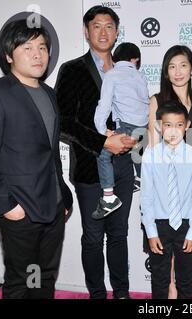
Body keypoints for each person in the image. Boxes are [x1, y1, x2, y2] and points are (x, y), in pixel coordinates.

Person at [0, 19, 73, 299]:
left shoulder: (50, 95)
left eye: (42, 46)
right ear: (8, 55)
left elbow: (51, 153)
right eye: (27, 47)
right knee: (22, 282)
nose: (37, 54)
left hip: (53, 206)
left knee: (44, 279)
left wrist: (62, 194)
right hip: (20, 208)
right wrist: (7, 206)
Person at [55, 6, 136, 299]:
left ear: (117, 32)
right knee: (92, 238)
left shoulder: (126, 70)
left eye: (109, 26)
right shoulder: (72, 70)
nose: (103, 32)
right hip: (90, 170)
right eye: (97, 26)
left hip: (124, 168)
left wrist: (135, 138)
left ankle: (122, 293)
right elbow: (63, 122)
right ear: (86, 32)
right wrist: (103, 142)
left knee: (119, 234)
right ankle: (97, 294)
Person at [146, 45, 192, 298]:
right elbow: (151, 144)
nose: (178, 71)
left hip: (191, 182)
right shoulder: (157, 100)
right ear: (165, 72)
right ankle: (167, 291)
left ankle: (178, 292)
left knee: (184, 261)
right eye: (172, 66)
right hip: (163, 187)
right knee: (162, 263)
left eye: (183, 65)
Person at [93, 42, 149, 220]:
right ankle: (140, 178)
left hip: (125, 125)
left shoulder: (112, 75)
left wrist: (102, 131)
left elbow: (105, 105)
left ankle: (108, 198)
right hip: (143, 127)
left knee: (103, 155)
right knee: (138, 152)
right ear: (135, 59)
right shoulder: (141, 77)